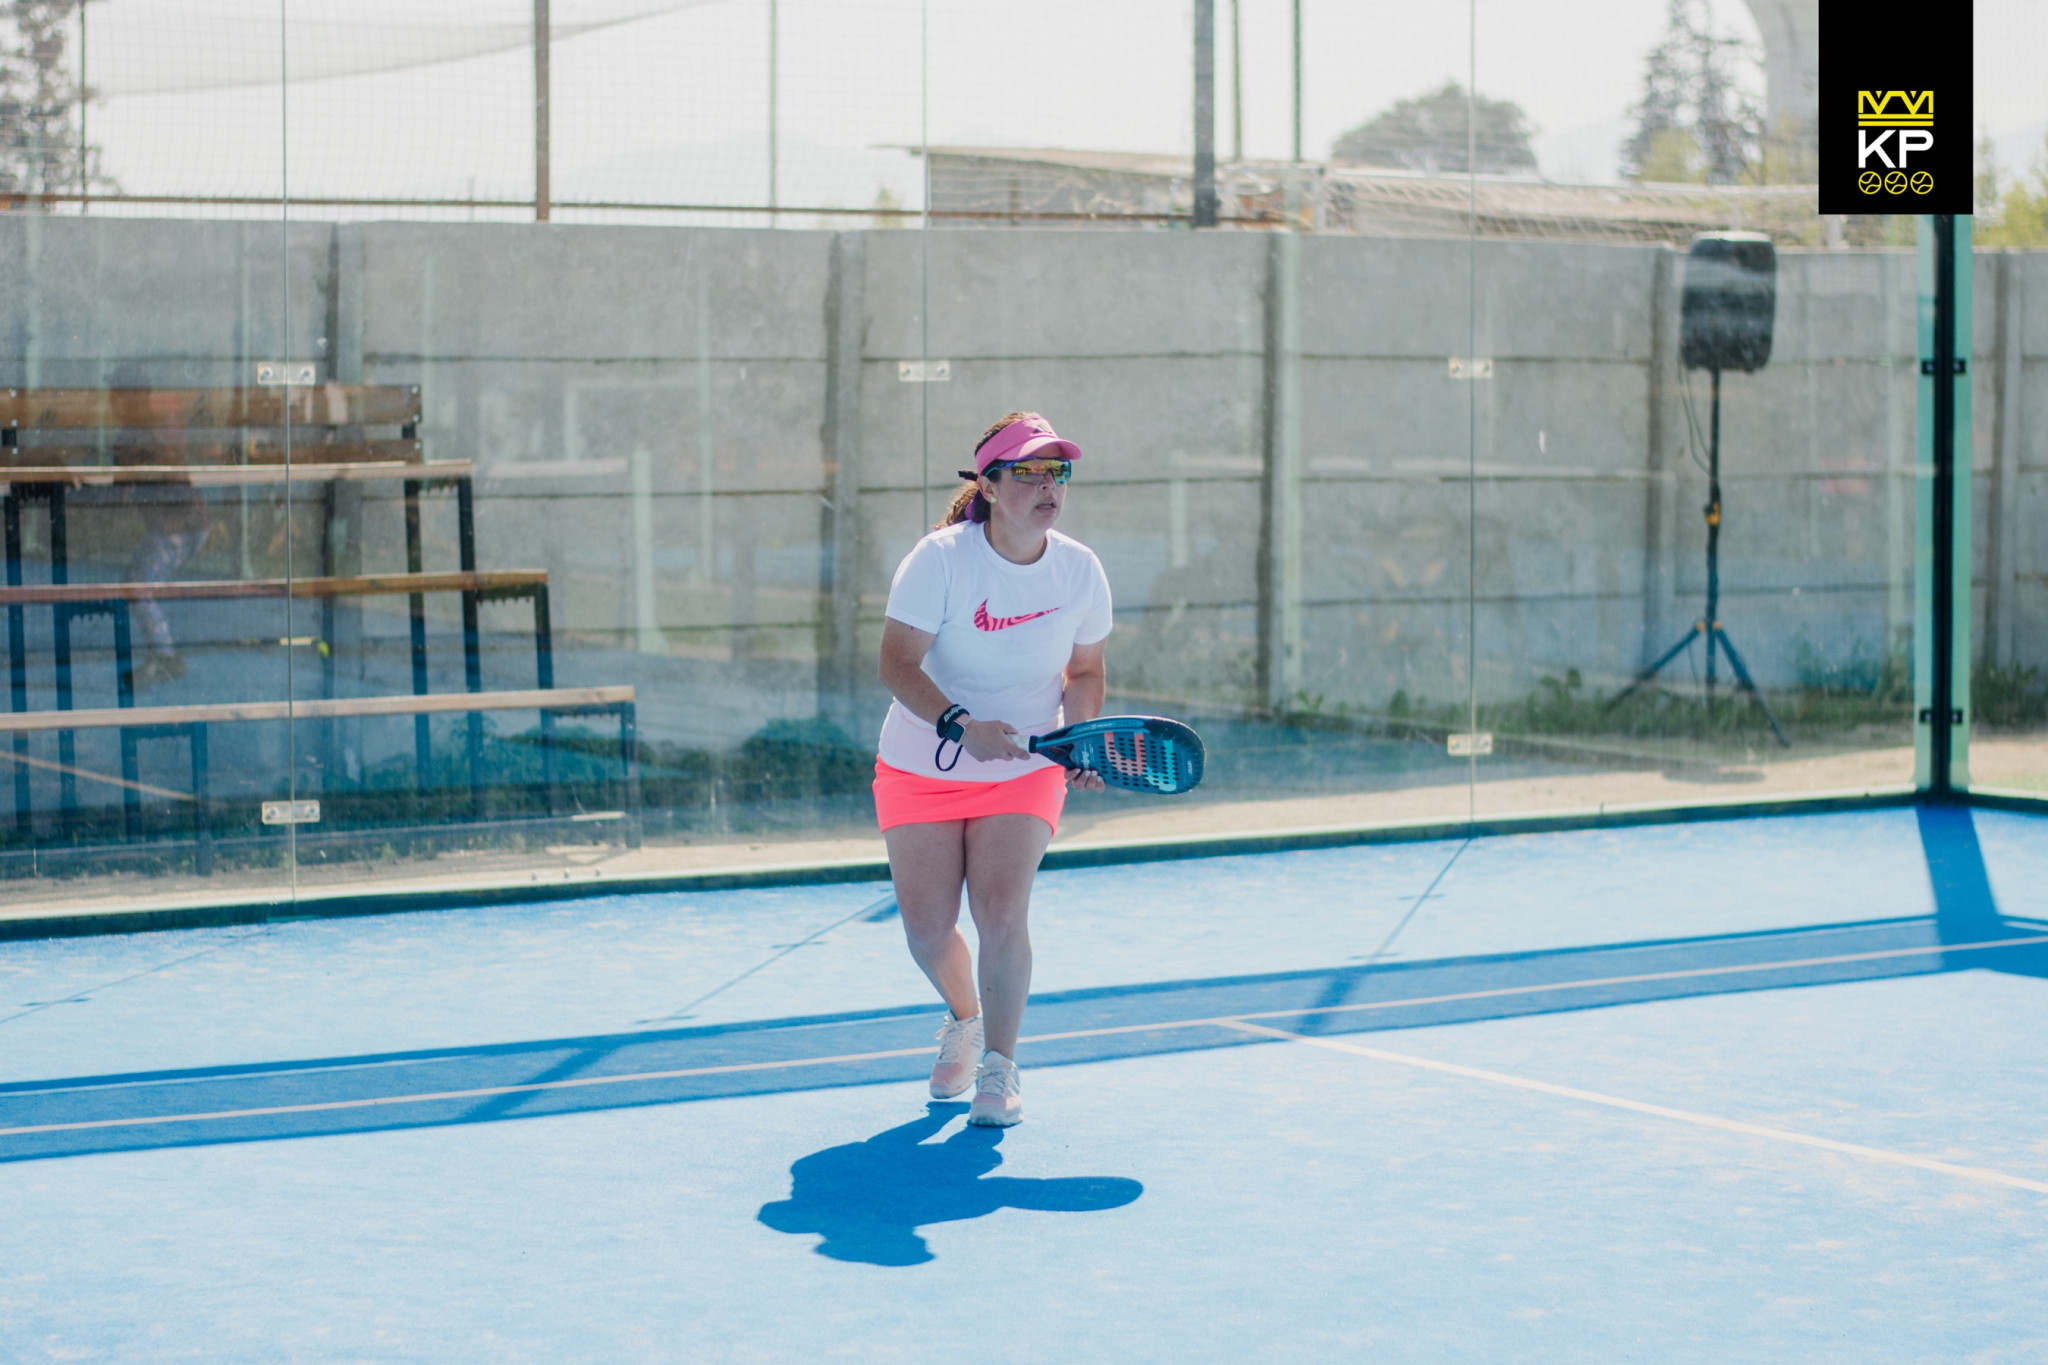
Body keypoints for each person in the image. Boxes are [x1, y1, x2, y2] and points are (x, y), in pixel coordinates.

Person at [874, 412, 1112, 1127]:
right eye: (1029, 473)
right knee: (927, 932)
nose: (1048, 486)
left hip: (1026, 769)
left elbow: (1086, 670)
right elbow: (897, 663)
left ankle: (1001, 1066)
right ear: (987, 484)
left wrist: (1079, 740)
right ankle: (967, 1018)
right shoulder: (940, 559)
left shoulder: (1080, 569)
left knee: (1001, 911)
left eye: (1057, 472)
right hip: (921, 763)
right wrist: (960, 725)